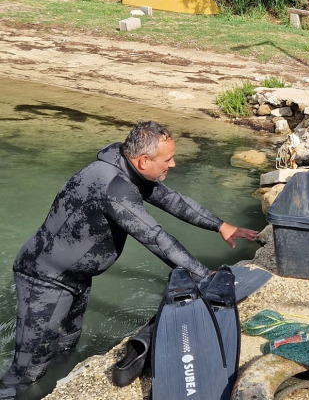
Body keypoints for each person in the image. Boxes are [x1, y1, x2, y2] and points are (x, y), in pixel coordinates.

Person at [1, 121, 260, 387]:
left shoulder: (128, 168)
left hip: (76, 278)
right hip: (44, 279)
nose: (173, 164)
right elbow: (156, 239)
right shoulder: (113, 187)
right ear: (144, 161)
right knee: (27, 370)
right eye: (168, 159)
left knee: (65, 348)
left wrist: (220, 225)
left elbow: (173, 201)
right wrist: (204, 276)